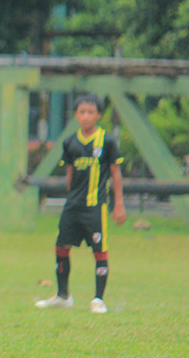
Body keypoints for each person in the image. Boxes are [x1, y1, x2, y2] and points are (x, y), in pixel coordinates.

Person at [36, 93, 126, 314]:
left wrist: (119, 204)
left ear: (98, 115)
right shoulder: (70, 142)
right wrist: (71, 198)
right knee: (61, 247)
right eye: (82, 112)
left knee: (100, 251)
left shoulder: (107, 141)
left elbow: (116, 173)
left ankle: (98, 300)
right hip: (72, 206)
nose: (86, 116)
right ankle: (63, 296)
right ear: (76, 114)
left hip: (95, 206)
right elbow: (69, 174)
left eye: (91, 112)